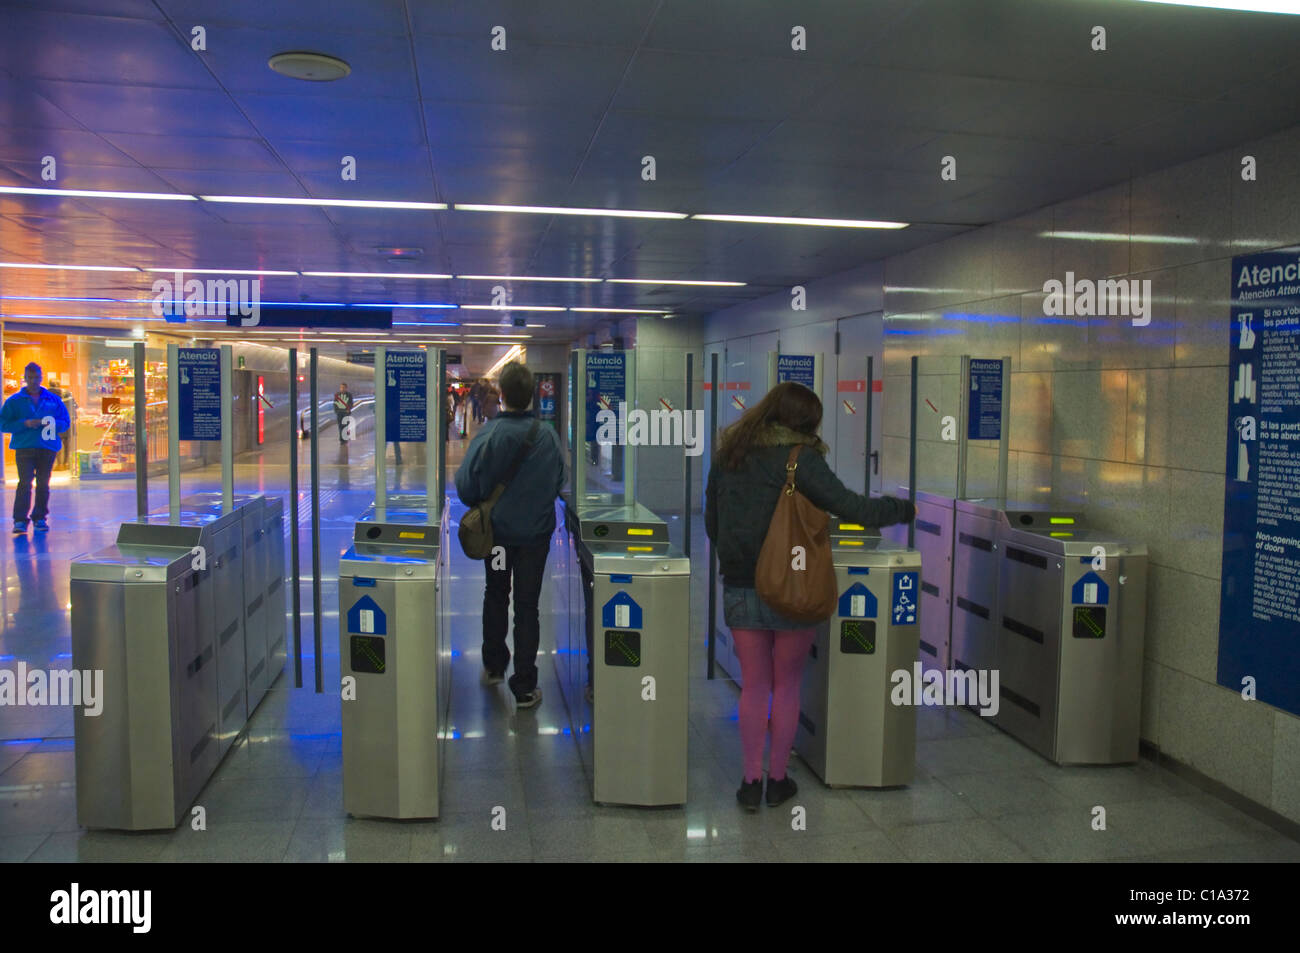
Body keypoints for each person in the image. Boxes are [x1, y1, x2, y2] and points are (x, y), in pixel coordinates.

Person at [705, 381, 914, 812]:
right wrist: (902, 509)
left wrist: (740, 557)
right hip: (793, 585)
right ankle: (777, 780)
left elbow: (713, 520)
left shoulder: (730, 454)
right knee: (786, 686)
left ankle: (748, 783)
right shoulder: (801, 459)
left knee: (754, 686)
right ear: (806, 422)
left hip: (741, 585)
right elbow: (853, 508)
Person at [455, 362, 564, 709]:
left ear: (501, 396)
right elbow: (560, 481)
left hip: (499, 538)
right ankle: (525, 685)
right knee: (528, 605)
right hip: (534, 539)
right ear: (531, 395)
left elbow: (465, 486)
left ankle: (494, 666)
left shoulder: (489, 434)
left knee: (497, 593)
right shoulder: (547, 436)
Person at [2, 362, 71, 533]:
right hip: (24, 448)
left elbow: (65, 423)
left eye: (37, 378)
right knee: (24, 483)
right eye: (30, 378)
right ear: (25, 379)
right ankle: (20, 520)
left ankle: (40, 517)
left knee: (43, 484)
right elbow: (3, 423)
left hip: (47, 448)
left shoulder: (53, 400)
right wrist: (24, 423)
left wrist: (50, 423)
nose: (33, 381)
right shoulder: (14, 401)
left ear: (42, 378)